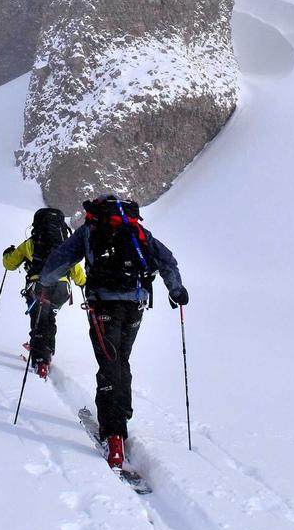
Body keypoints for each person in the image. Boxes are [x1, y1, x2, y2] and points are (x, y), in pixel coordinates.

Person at [37, 194, 188, 468]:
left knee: (109, 361)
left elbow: (61, 258)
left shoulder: (90, 230)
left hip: (103, 305)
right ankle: (123, 412)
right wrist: (176, 291)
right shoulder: (136, 229)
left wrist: (44, 283)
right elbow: (167, 260)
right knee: (121, 358)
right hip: (135, 304)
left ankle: (114, 434)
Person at [3, 208, 86, 379]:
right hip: (63, 288)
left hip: (39, 286)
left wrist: (7, 254)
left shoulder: (31, 243)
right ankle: (47, 350)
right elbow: (76, 270)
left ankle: (40, 360)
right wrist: (83, 283)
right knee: (49, 317)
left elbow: (10, 264)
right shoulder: (65, 245)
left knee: (39, 319)